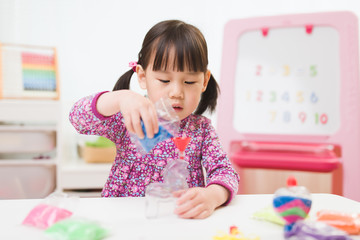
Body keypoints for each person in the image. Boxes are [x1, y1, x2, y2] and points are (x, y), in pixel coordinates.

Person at [69, 19, 239, 219]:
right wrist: (119, 98)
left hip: (180, 221)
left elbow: (225, 172)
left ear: (204, 81)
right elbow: (77, 119)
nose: (176, 92)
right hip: (125, 219)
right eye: (164, 80)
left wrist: (213, 195)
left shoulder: (201, 130)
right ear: (142, 76)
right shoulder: (129, 117)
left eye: (190, 81)